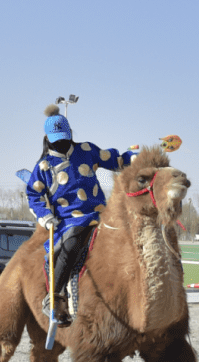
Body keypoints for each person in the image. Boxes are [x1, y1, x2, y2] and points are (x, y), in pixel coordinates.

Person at [26, 104, 138, 327]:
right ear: (48, 139)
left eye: (65, 138)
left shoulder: (86, 150)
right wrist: (45, 216)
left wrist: (133, 158)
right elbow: (34, 195)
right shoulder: (44, 166)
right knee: (72, 243)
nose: (62, 142)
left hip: (100, 215)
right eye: (57, 139)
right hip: (70, 221)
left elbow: (114, 160)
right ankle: (55, 298)